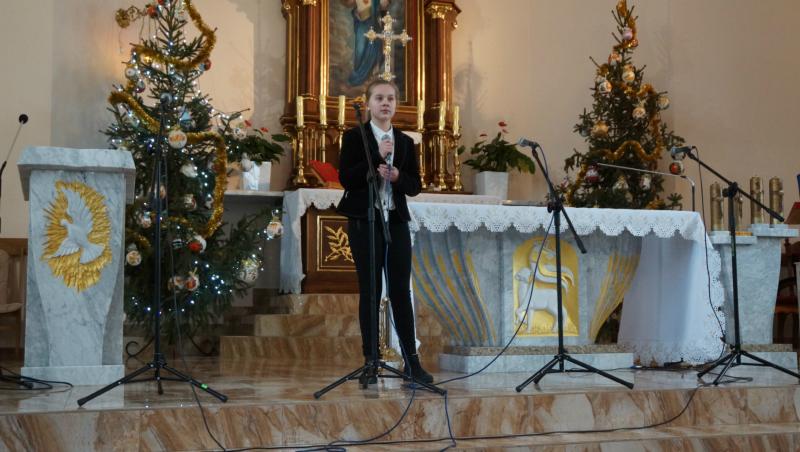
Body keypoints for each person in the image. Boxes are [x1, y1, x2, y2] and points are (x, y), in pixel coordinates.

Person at [337, 79, 433, 384]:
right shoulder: (355, 137)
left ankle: (411, 362)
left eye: (390, 98)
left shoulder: (404, 141)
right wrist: (377, 156)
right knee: (371, 290)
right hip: (365, 221)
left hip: (395, 221)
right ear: (368, 103)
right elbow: (346, 178)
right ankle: (371, 360)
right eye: (379, 98)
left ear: (396, 104)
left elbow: (415, 186)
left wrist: (397, 176)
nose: (385, 103)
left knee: (400, 291)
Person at [340, 0, 391, 86]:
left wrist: (380, 5)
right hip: (361, 25)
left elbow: (385, 5)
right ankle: (359, 77)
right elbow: (347, 3)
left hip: (374, 25)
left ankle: (370, 76)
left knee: (375, 49)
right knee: (360, 50)